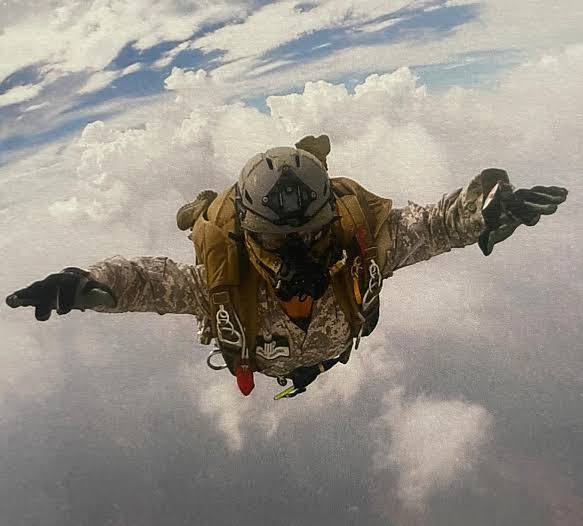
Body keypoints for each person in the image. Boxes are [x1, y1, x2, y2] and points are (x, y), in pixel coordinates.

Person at [5, 135, 568, 399]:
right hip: (277, 362)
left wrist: (485, 210)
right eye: (279, 240)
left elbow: (435, 224)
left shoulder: (359, 250)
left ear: (332, 222)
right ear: (250, 235)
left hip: (310, 359)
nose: (299, 252)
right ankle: (203, 207)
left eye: (313, 234)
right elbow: (150, 279)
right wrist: (86, 283)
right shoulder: (225, 282)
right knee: (203, 229)